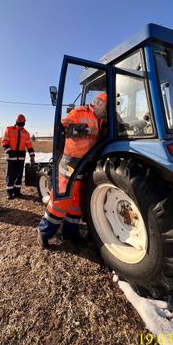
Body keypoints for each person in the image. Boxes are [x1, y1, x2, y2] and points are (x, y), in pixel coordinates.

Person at [37, 93, 107, 247]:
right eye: (105, 108)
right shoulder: (79, 112)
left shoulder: (100, 120)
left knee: (76, 203)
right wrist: (81, 130)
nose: (105, 112)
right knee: (60, 200)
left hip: (85, 163)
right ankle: (44, 232)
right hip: (71, 163)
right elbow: (63, 127)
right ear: (98, 103)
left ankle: (71, 233)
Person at [1, 114, 35, 199]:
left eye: (22, 124)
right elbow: (4, 142)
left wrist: (32, 156)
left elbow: (29, 145)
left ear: (24, 124)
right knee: (11, 174)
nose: (20, 126)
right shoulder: (9, 129)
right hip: (11, 157)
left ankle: (17, 191)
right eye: (19, 124)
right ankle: (9, 192)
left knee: (19, 175)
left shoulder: (26, 133)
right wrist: (9, 152)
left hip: (21, 157)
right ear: (16, 123)